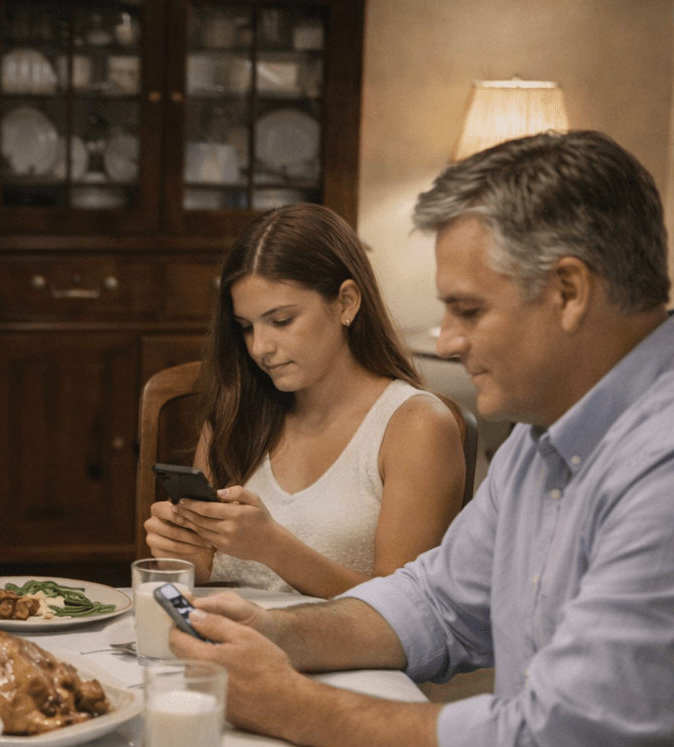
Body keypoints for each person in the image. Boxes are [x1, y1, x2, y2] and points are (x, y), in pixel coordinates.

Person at [170, 131, 674, 747]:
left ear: (568, 291)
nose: (444, 339)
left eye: (467, 310)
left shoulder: (659, 467)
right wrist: (273, 631)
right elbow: (435, 601)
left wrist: (293, 704)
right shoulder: (540, 442)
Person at [144, 203, 465, 597]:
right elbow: (211, 581)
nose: (260, 347)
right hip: (226, 632)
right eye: (246, 327)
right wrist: (187, 558)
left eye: (281, 321)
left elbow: (405, 605)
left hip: (343, 641)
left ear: (346, 302)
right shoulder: (235, 414)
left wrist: (273, 548)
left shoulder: (416, 425)